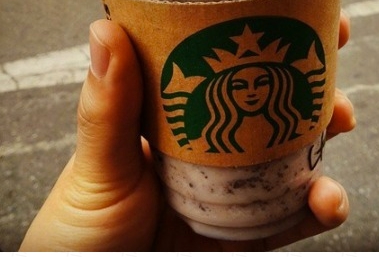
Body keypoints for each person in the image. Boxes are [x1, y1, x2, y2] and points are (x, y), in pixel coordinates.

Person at [19, 14, 356, 251]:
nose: (252, 93)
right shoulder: (206, 135)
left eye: (263, 82)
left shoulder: (290, 121)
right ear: (221, 92)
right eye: (239, 85)